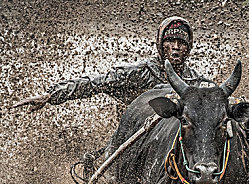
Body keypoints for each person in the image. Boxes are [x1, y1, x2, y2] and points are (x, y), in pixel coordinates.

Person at [12, 16, 203, 112]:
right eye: (170, 42)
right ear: (160, 45)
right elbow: (96, 82)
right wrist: (51, 95)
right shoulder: (140, 72)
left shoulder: (196, 82)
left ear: (189, 47)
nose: (176, 47)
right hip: (134, 138)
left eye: (182, 43)